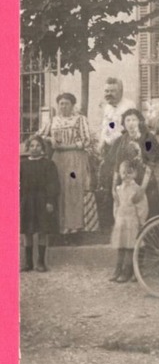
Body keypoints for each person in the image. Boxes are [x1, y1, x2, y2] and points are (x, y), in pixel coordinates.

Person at [46, 92, 98, 235]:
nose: (63, 106)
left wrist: (68, 146)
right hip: (58, 159)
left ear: (73, 105)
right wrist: (50, 140)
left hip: (75, 157)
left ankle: (74, 225)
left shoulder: (80, 119)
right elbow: (41, 134)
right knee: (59, 189)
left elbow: (87, 139)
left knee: (73, 189)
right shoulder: (54, 120)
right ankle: (61, 225)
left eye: (66, 103)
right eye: (61, 103)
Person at [97, 78, 135, 231]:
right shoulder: (107, 107)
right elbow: (105, 127)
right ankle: (110, 225)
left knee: (122, 184)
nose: (109, 94)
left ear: (120, 91)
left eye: (112, 91)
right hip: (108, 150)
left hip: (122, 149)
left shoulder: (128, 105)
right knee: (108, 185)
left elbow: (130, 129)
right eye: (106, 91)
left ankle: (124, 225)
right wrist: (101, 142)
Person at [20, 135, 60, 272]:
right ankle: (28, 263)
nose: (34, 148)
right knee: (28, 232)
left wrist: (50, 201)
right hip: (27, 201)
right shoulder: (22, 164)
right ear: (28, 147)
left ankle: (41, 262)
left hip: (43, 201)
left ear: (42, 148)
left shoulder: (48, 164)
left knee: (43, 230)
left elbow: (53, 185)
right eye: (32, 146)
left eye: (38, 146)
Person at [116, 108, 159, 220]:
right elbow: (117, 164)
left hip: (145, 182)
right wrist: (115, 188)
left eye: (134, 120)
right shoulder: (123, 140)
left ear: (140, 122)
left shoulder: (147, 138)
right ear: (123, 123)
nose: (131, 123)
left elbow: (151, 163)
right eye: (127, 120)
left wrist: (142, 189)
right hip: (127, 183)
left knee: (149, 216)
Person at [109, 160, 149, 283]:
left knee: (129, 248)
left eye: (129, 173)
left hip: (132, 223)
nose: (126, 176)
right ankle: (117, 270)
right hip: (121, 222)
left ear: (135, 174)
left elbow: (142, 207)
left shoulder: (137, 190)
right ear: (120, 174)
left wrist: (141, 220)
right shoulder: (118, 189)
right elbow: (116, 204)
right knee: (121, 247)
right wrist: (117, 217)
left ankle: (127, 272)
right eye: (123, 173)